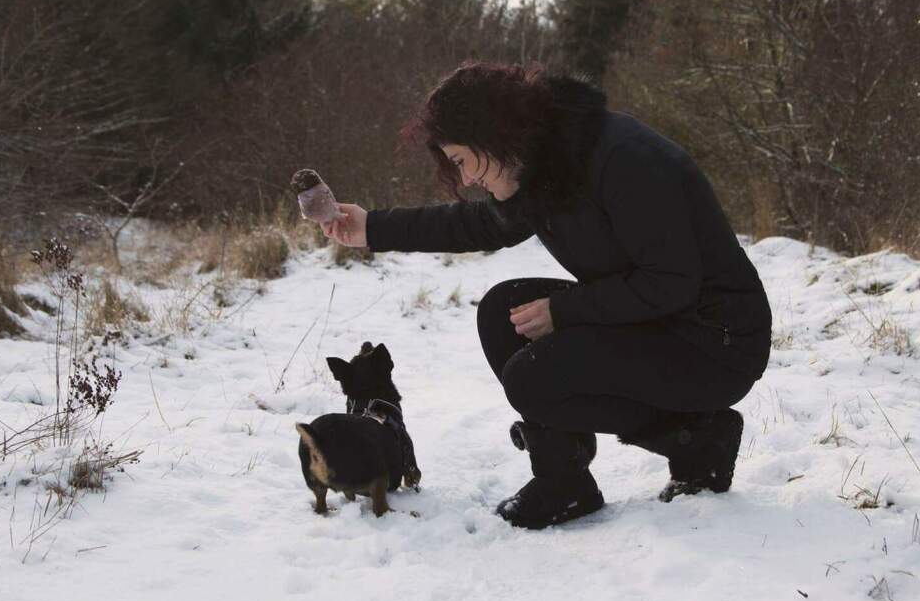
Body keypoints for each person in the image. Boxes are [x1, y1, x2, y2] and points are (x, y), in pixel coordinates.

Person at [322, 62, 772, 529]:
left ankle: (697, 439)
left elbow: (671, 281)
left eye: (461, 161)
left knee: (535, 374)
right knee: (504, 313)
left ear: (492, 134)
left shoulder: (624, 159)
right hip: (658, 320)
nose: (468, 179)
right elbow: (477, 224)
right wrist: (372, 227)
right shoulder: (545, 165)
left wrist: (565, 310)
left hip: (715, 343)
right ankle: (567, 481)